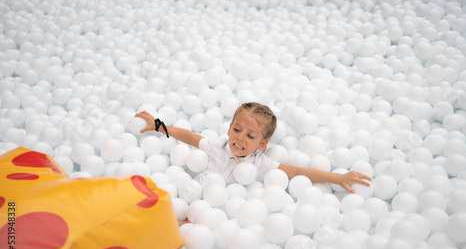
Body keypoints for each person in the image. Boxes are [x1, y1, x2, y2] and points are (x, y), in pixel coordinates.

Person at [135, 102, 371, 193]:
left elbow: (298, 172)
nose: (239, 138)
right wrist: (158, 125)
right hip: (190, 194)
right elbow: (189, 137)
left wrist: (337, 179)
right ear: (229, 129)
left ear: (262, 144)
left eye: (250, 135)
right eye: (236, 130)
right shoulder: (218, 145)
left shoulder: (260, 163)